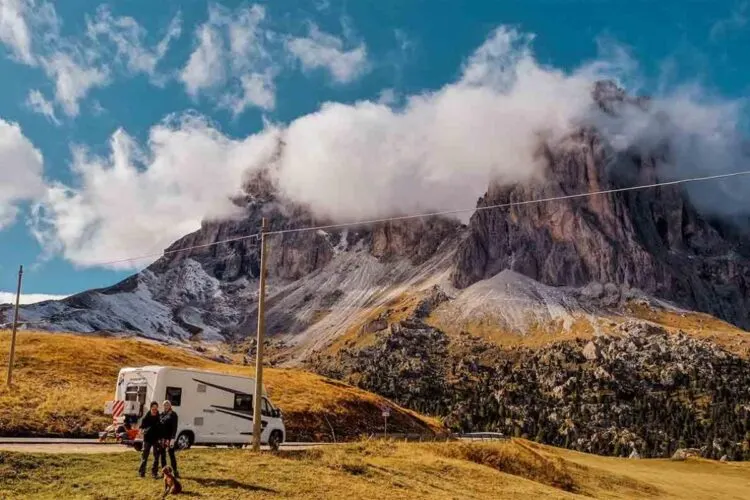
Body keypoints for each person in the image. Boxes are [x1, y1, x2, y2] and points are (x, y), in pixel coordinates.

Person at [138, 401, 163, 478]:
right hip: (147, 439)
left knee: (156, 457)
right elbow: (141, 427)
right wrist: (142, 431)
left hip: (156, 439)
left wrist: (161, 438)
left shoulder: (160, 417)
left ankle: (154, 473)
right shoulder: (146, 417)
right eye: (153, 408)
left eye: (156, 408)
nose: (154, 410)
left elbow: (162, 428)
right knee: (144, 456)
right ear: (151, 408)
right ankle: (142, 473)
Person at [159, 400, 180, 478]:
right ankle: (164, 472)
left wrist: (173, 438)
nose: (166, 406)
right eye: (165, 405)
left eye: (167, 405)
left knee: (171, 455)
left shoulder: (173, 414)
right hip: (162, 438)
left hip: (169, 438)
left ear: (170, 406)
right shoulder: (161, 414)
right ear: (163, 406)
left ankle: (175, 471)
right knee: (163, 455)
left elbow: (175, 427)